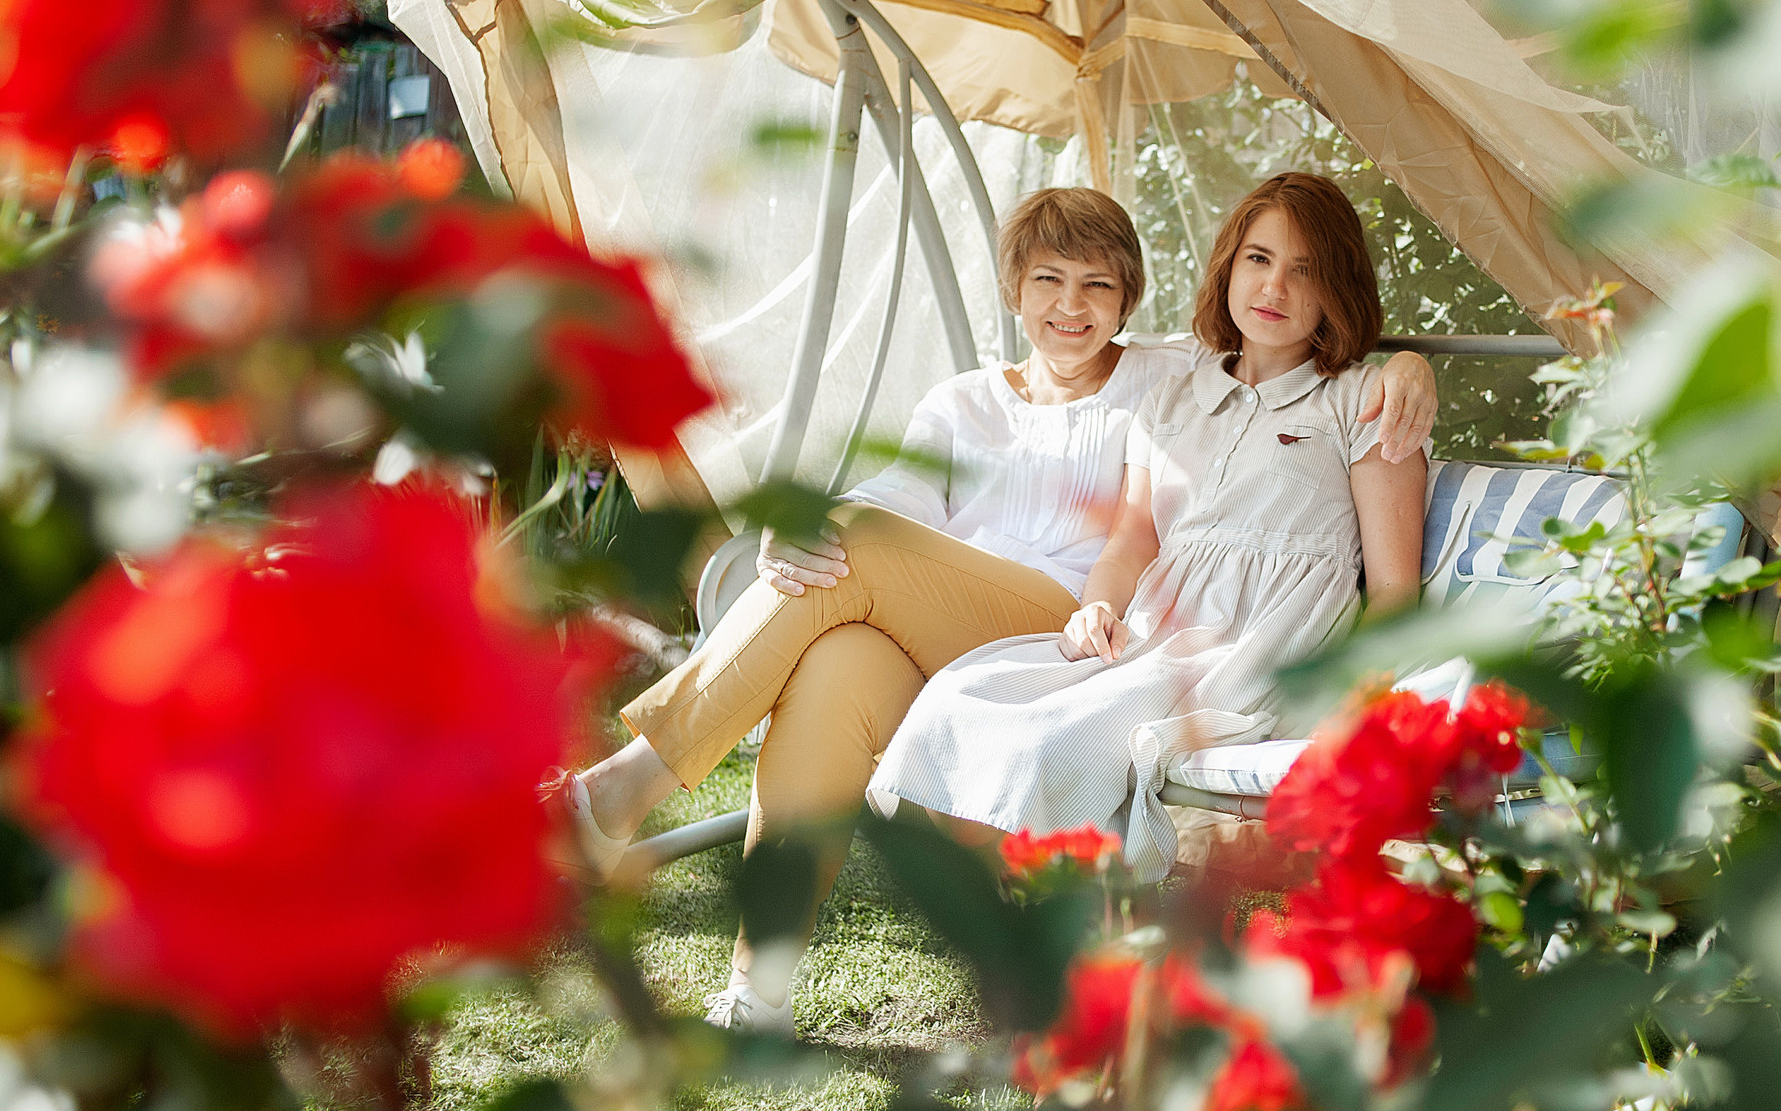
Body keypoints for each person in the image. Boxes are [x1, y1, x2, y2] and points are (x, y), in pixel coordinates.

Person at [552, 186, 1437, 1032]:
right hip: (965, 635)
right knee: (834, 666)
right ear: (1013, 290)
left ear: (1131, 296)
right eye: (1048, 280)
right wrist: (803, 537)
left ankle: (624, 786)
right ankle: (761, 987)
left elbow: (1308, 369)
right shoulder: (968, 402)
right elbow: (890, 499)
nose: (1071, 307)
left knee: (852, 545)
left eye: (1098, 284)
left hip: (1064, 627)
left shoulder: (1169, 373)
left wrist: (1409, 363)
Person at [871, 173, 1428, 881]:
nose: (1275, 288)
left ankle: (1047, 924)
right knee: (958, 699)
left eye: (1305, 269)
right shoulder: (1172, 400)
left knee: (1051, 743)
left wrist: (1353, 702)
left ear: (1337, 286)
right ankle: (1031, 912)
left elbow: (1392, 591)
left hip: (1255, 646)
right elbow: (1132, 539)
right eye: (1258, 259)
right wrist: (1098, 605)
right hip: (1154, 626)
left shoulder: (1363, 403)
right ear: (1228, 268)